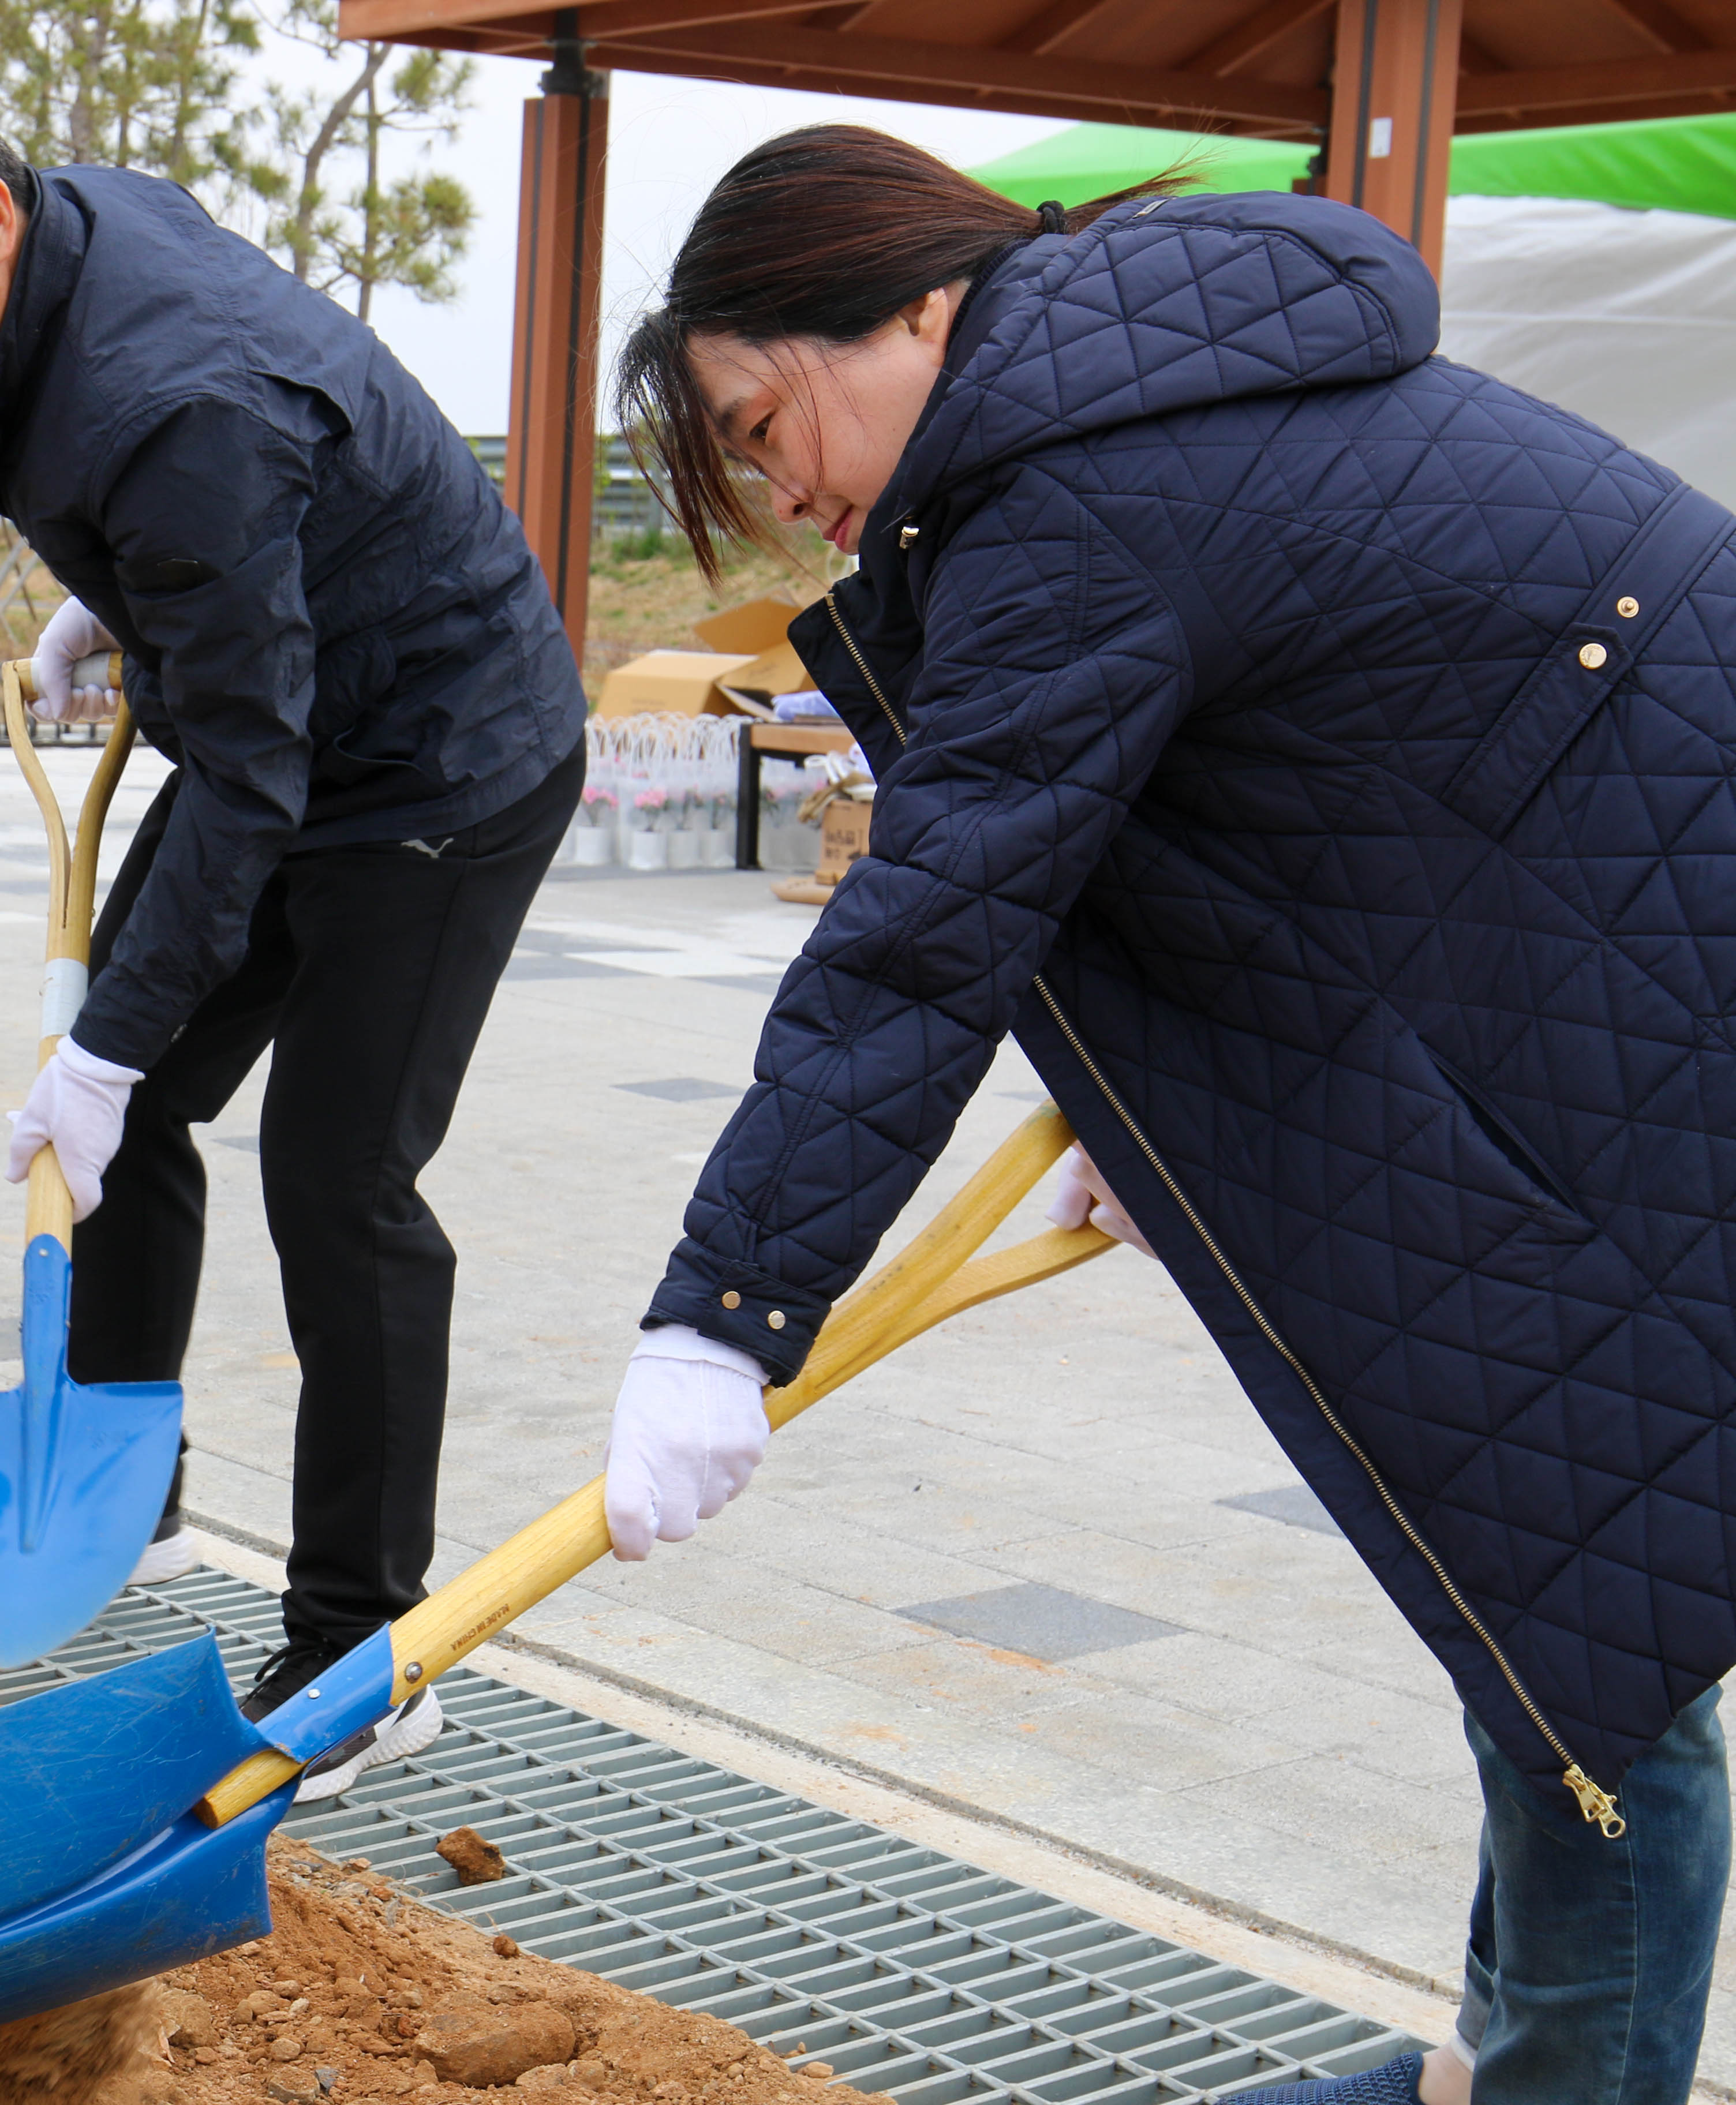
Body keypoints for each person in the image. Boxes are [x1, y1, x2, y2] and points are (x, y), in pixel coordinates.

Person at [603, 125, 1736, 2105]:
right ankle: (1535, 2052)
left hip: (1655, 961)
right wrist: (1163, 1092)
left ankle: (1571, 2074)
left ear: (917, 310)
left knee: (1588, 1576)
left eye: (769, 416)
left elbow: (925, 930)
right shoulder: (1139, 401)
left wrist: (727, 1308)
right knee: (1557, 1567)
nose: (780, 485)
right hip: (1609, 941)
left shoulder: (1084, 493)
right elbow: (1282, 793)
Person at [0, 47, 587, 1795]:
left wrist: (112, 1039)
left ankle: (366, 1650)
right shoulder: (60, 262)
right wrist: (127, 606)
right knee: (115, 1111)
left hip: (437, 762)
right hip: (282, 710)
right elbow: (227, 575)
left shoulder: (175, 398)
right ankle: (133, 1487)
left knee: (335, 1177)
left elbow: (252, 774)